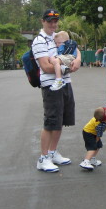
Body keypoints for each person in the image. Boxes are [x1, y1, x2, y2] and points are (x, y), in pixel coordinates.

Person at [33, 9, 81, 173]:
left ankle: (52, 153)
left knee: (60, 120)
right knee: (51, 121)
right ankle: (43, 157)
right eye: (49, 21)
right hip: (51, 85)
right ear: (43, 21)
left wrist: (78, 61)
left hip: (65, 83)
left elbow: (75, 49)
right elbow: (46, 67)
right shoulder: (40, 41)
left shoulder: (58, 37)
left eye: (55, 21)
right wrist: (68, 67)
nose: (53, 24)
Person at [79, 106, 106, 170]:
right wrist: (95, 142)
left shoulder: (103, 115)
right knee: (93, 147)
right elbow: (99, 135)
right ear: (105, 119)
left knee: (98, 146)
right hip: (88, 133)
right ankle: (85, 161)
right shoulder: (100, 125)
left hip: (92, 133)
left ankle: (92, 159)